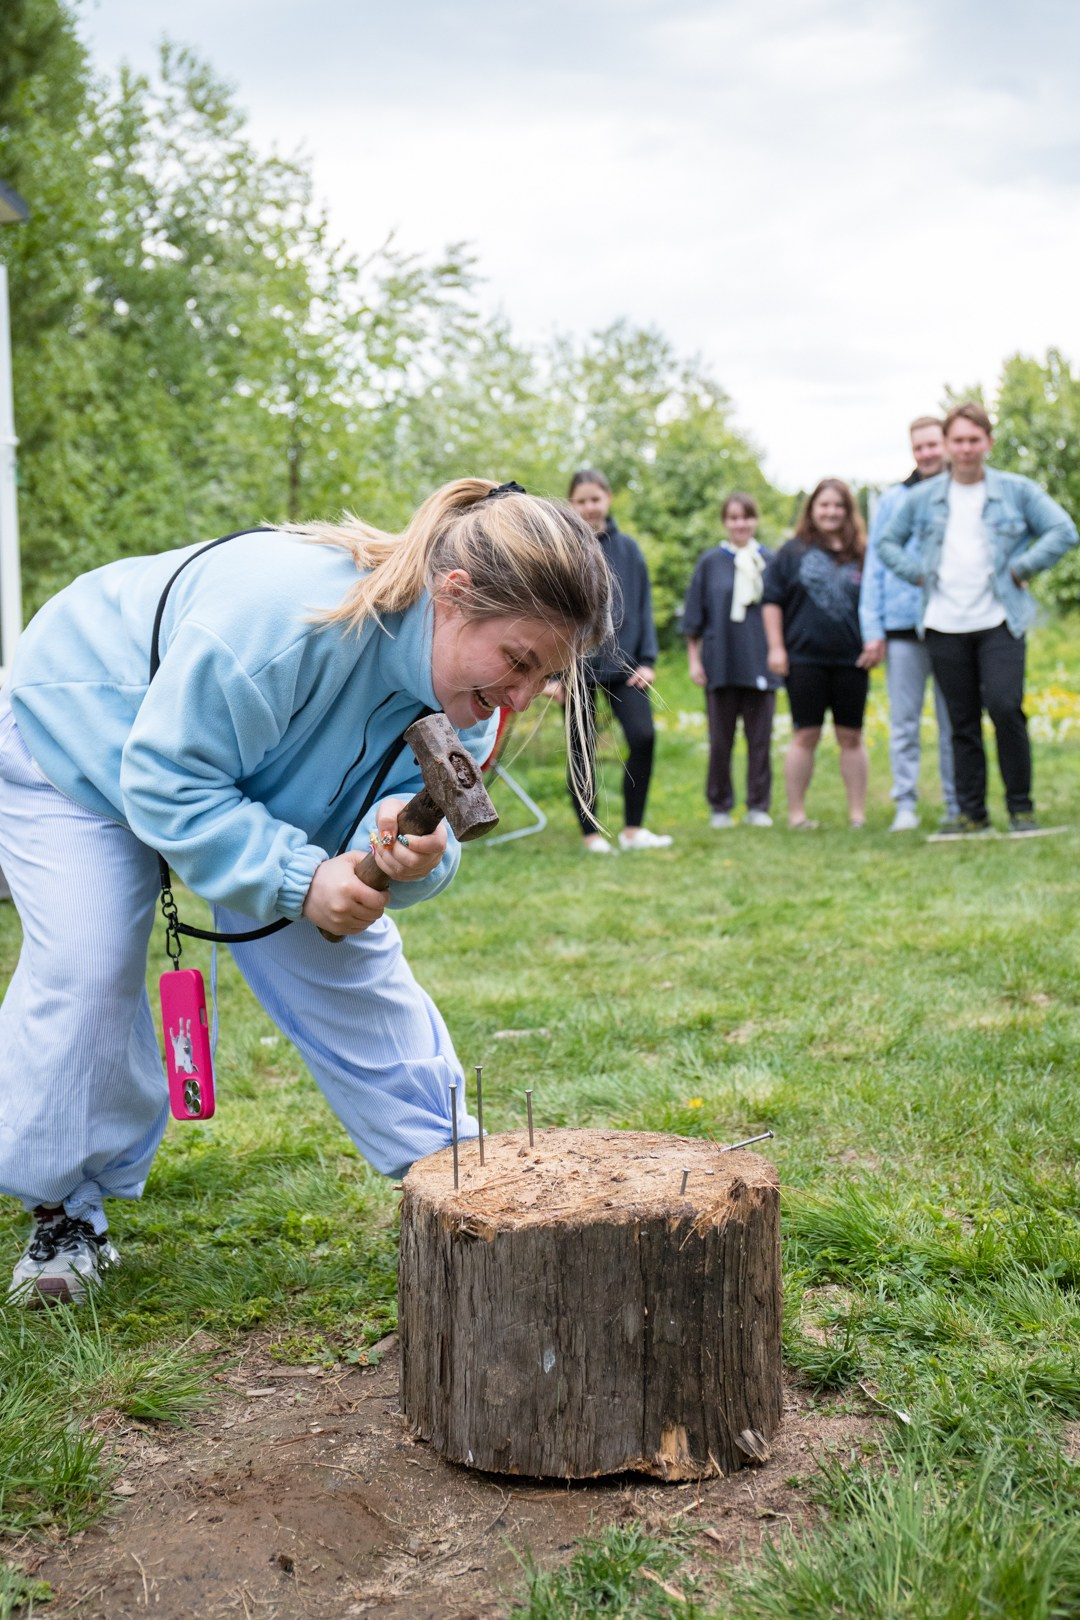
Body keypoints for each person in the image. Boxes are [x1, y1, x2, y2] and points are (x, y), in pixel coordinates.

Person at [0, 479, 613, 1305]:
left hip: (239, 771)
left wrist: (403, 851)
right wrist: (297, 876)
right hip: (77, 738)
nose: (523, 696)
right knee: (88, 964)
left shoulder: (463, 698)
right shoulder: (284, 617)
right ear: (454, 595)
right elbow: (167, 779)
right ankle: (62, 1207)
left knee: (346, 952)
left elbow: (396, 825)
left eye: (546, 675)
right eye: (520, 661)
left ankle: (456, 1175)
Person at [876, 402, 1078, 836]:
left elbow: (1063, 530)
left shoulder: (1016, 490)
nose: (966, 448)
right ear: (947, 444)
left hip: (999, 620)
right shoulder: (922, 498)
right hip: (943, 622)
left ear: (989, 442)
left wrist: (1022, 568)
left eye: (974, 440)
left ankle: (1021, 810)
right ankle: (971, 815)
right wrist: (918, 573)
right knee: (961, 721)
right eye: (958, 440)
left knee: (1005, 708)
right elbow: (887, 542)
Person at [559, 469, 671, 852]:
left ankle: (633, 830)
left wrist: (648, 660)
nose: (589, 507)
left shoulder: (629, 550)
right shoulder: (563, 549)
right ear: (571, 505)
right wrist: (552, 677)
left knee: (643, 737)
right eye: (581, 501)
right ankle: (591, 834)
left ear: (607, 498)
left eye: (595, 499)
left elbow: (643, 606)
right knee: (582, 749)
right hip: (575, 669)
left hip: (626, 667)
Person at [859, 417, 959, 832]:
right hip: (902, 626)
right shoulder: (893, 500)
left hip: (954, 621)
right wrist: (873, 628)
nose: (926, 453)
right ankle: (905, 803)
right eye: (919, 447)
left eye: (932, 445)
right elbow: (874, 567)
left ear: (946, 445)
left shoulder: (963, 493)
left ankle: (957, 802)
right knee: (904, 722)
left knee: (955, 720)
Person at [762, 479, 876, 829]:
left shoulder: (863, 552)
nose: (831, 512)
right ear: (812, 509)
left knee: (851, 736)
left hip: (853, 659)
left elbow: (877, 600)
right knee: (805, 735)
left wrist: (876, 641)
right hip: (804, 659)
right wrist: (776, 648)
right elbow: (772, 601)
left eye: (838, 505)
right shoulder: (791, 552)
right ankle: (797, 814)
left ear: (848, 511)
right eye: (824, 505)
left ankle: (857, 815)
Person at [683, 492, 778, 828]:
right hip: (720, 663)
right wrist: (694, 661)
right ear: (725, 522)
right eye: (734, 518)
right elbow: (694, 618)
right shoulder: (710, 563)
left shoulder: (770, 561)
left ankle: (758, 806)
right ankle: (720, 806)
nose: (741, 524)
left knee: (760, 740)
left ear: (755, 520)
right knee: (721, 741)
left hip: (760, 661)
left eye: (746, 517)